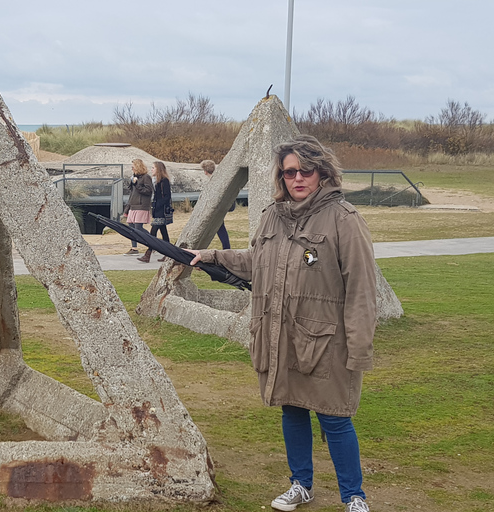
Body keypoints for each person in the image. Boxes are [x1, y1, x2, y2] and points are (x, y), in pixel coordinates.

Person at [189, 135, 376, 512]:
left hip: (326, 341)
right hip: (281, 334)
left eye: (306, 170)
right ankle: (300, 484)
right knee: (292, 409)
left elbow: (361, 289)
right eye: (290, 171)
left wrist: (358, 349)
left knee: (336, 418)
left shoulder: (345, 220)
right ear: (282, 176)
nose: (298, 178)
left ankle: (354, 496)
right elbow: (255, 262)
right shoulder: (273, 215)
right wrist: (210, 255)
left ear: (322, 172)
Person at [138, 161, 172, 263]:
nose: (151, 169)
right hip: (157, 210)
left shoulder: (164, 181)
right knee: (164, 233)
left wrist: (158, 206)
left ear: (158, 169)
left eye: (153, 168)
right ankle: (169, 254)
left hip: (161, 212)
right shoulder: (157, 182)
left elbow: (167, 197)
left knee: (153, 232)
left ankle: (148, 254)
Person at [121, 158, 153, 255]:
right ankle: (134, 248)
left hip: (141, 205)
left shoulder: (146, 177)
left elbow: (148, 191)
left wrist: (137, 184)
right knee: (131, 227)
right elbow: (132, 193)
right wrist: (127, 207)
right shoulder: (134, 177)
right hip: (133, 205)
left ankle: (153, 243)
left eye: (133, 167)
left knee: (138, 228)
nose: (132, 169)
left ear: (138, 166)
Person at [200, 159, 232, 249]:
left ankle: (226, 248)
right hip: (220, 208)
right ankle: (226, 248)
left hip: (216, 209)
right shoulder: (220, 179)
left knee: (216, 228)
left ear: (205, 171)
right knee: (220, 228)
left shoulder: (213, 182)